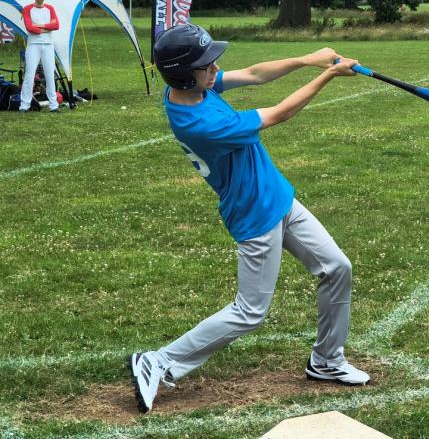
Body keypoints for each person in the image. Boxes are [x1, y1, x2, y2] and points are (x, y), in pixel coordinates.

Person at [129, 23, 369, 414]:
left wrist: (308, 59)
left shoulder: (194, 89)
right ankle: (161, 361)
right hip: (253, 214)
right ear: (186, 73)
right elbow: (277, 114)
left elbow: (256, 74)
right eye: (208, 64)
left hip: (278, 197)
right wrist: (327, 75)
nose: (216, 67)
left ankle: (326, 361)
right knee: (250, 312)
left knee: (336, 267)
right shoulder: (201, 123)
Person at [20, 0, 60, 113]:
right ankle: (24, 105)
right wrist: (47, 28)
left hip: (48, 45)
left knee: (49, 75)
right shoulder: (27, 9)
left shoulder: (50, 8)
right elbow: (30, 27)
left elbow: (56, 25)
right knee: (29, 75)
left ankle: (53, 105)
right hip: (33, 45)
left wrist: (40, 26)